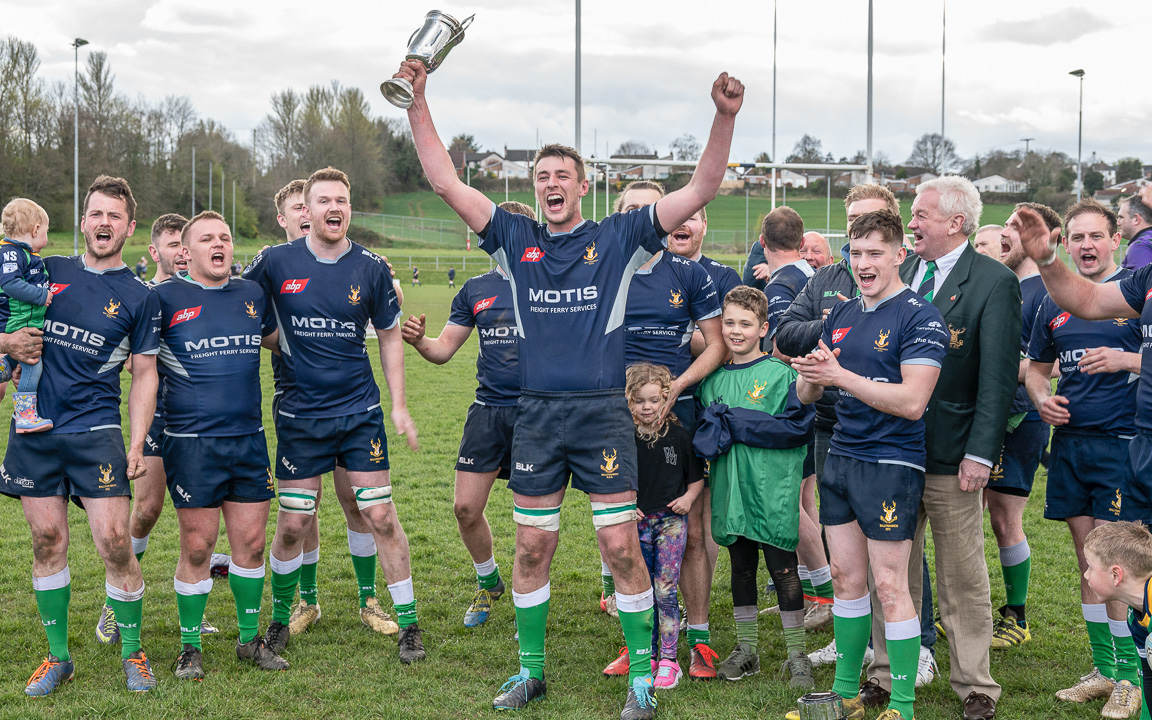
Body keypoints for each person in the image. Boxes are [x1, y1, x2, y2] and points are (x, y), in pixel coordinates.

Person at [395, 55, 743, 719]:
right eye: (542, 176)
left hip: (601, 417)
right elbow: (443, 180)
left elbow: (700, 188)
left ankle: (643, 679)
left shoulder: (618, 238)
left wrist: (722, 117)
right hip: (536, 419)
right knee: (533, 545)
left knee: (618, 546)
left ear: (584, 187)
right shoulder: (512, 238)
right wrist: (417, 101)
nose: (551, 184)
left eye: (562, 176)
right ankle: (531, 673)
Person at [245, 166, 423, 664]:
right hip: (300, 418)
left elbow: (389, 333)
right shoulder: (274, 262)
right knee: (293, 525)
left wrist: (400, 404)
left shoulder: (369, 266)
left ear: (350, 206)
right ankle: (281, 619)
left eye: (342, 200)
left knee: (380, 514)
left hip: (359, 413)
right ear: (307, 208)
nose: (334, 208)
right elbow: (240, 308)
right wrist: (277, 340)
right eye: (324, 200)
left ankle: (408, 623)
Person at [866, 176, 1020, 720]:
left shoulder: (994, 282)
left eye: (920, 214)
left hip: (953, 458)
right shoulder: (902, 273)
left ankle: (974, 684)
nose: (911, 223)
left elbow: (999, 379)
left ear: (956, 222)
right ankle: (884, 675)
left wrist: (981, 452)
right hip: (891, 454)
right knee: (891, 574)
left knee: (961, 575)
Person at [2, 175, 161, 695]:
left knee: (116, 542)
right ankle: (58, 658)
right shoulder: (45, 270)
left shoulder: (140, 297)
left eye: (115, 216)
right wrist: (6, 341)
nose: (104, 223)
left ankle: (133, 651)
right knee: (47, 540)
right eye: (96, 213)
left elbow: (143, 375)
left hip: (94, 430)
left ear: (129, 228)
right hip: (35, 426)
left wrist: (137, 442)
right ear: (82, 220)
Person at [787, 208, 948, 720]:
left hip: (890, 462)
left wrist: (839, 375)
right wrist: (812, 374)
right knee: (844, 579)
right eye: (855, 253)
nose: (863, 263)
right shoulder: (839, 314)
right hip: (841, 457)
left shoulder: (920, 316)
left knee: (889, 584)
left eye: (875, 253)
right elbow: (807, 392)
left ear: (900, 255)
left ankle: (901, 703)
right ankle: (844, 693)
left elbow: (913, 402)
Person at [155, 211, 288, 679]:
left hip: (248, 439)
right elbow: (140, 366)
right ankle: (190, 647)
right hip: (191, 443)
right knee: (197, 546)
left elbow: (282, 340)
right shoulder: (163, 298)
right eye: (207, 238)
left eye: (226, 237)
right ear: (185, 253)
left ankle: (249, 641)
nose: (220, 244)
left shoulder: (252, 294)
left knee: (250, 544)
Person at [1025, 199, 1143, 717]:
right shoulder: (1054, 301)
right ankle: (1105, 668)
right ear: (1065, 244)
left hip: (1123, 446)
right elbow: (1034, 367)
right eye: (1077, 238)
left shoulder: (1134, 293)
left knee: (1122, 566)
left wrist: (1127, 358)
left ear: (1115, 239)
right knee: (1089, 564)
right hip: (1071, 448)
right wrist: (1039, 397)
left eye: (1097, 236)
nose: (1087, 245)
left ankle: (1132, 677)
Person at [267, 179, 397, 642]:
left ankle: (368, 598)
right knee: (304, 510)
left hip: (352, 407)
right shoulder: (274, 265)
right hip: (299, 407)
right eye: (300, 207)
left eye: (316, 204)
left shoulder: (355, 264)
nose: (309, 213)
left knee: (355, 502)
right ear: (285, 218)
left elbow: (380, 313)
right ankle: (307, 598)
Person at [600, 181, 725, 650]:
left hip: (678, 416)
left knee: (689, 530)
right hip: (617, 419)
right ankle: (637, 638)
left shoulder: (689, 275)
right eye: (629, 209)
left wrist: (680, 386)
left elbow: (716, 345)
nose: (637, 216)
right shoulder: (603, 272)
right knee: (622, 525)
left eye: (646, 209)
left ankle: (698, 637)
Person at [401, 200, 534, 628]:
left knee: (540, 516)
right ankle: (489, 581)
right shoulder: (475, 290)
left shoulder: (551, 283)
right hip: (489, 412)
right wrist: (421, 341)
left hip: (540, 413)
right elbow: (442, 350)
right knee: (465, 508)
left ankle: (601, 586)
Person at [694, 286, 815, 687]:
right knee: (741, 569)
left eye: (745, 323)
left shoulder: (782, 376)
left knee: (783, 569)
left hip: (771, 493)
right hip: (732, 492)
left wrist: (739, 421)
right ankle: (747, 650)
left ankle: (798, 655)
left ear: (764, 328)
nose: (735, 330)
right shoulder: (711, 381)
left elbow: (798, 430)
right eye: (728, 322)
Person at [125, 213, 225, 637]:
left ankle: (195, 607)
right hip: (158, 419)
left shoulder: (205, 294)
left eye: (183, 246)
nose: (180, 255)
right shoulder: (150, 298)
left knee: (201, 521)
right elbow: (130, 361)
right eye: (171, 247)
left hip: (200, 424)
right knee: (147, 510)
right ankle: (118, 594)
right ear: (156, 252)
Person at [662, 197, 740, 679]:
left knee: (695, 529)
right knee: (639, 527)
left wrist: (685, 339)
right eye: (675, 218)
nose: (683, 224)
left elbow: (733, 343)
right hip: (634, 416)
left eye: (692, 216)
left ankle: (700, 634)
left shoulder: (723, 279)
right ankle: (650, 635)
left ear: (704, 225)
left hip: (699, 415)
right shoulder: (628, 274)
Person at [981, 203, 1060, 650]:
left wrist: (987, 367)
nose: (1009, 233)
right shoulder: (1005, 286)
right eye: (1005, 226)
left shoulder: (1044, 291)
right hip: (986, 417)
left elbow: (1045, 365)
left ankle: (1017, 614)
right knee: (974, 516)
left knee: (1005, 517)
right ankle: (966, 610)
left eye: (1016, 227)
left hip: (1020, 417)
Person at [606, 362, 703, 689]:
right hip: (637, 526)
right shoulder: (622, 439)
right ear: (628, 402)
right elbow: (611, 479)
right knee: (641, 591)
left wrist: (689, 499)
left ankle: (669, 660)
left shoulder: (679, 435)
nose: (647, 407)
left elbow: (696, 479)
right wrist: (624, 504)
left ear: (666, 399)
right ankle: (644, 655)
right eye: (639, 401)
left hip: (671, 525)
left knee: (665, 590)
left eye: (654, 400)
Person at [1083, 522, 1152, 716]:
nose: (1085, 574)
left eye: (1090, 567)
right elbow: (1148, 677)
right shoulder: (1134, 615)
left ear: (1116, 574)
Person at [0, 198, 54, 432]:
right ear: (35, 230)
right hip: (18, 323)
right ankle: (25, 415)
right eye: (46, 231)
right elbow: (10, 283)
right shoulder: (11, 252)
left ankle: (3, 368)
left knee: (13, 360)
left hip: (24, 322)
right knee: (33, 364)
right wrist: (41, 296)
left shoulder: (24, 253)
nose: (47, 237)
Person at [1118, 195, 1152, 271]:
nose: (1118, 223)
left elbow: (1143, 282)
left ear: (1136, 219)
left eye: (1121, 217)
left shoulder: (1140, 247)